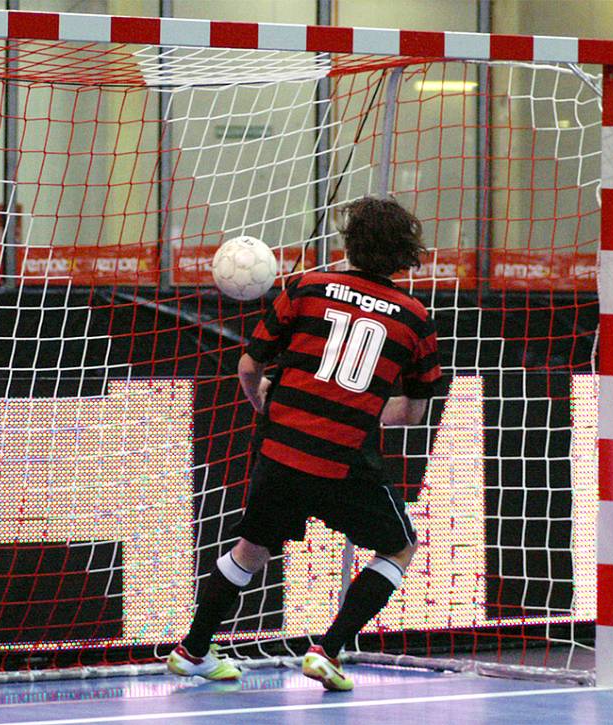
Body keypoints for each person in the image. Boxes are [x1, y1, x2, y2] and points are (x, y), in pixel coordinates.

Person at [167, 196, 441, 690]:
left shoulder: (306, 286)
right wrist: (355, 407)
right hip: (342, 460)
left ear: (350, 242)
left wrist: (265, 402)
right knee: (399, 547)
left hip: (280, 450)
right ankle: (326, 651)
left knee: (251, 551)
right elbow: (413, 413)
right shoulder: (414, 318)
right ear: (404, 250)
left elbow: (249, 368)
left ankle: (192, 650)